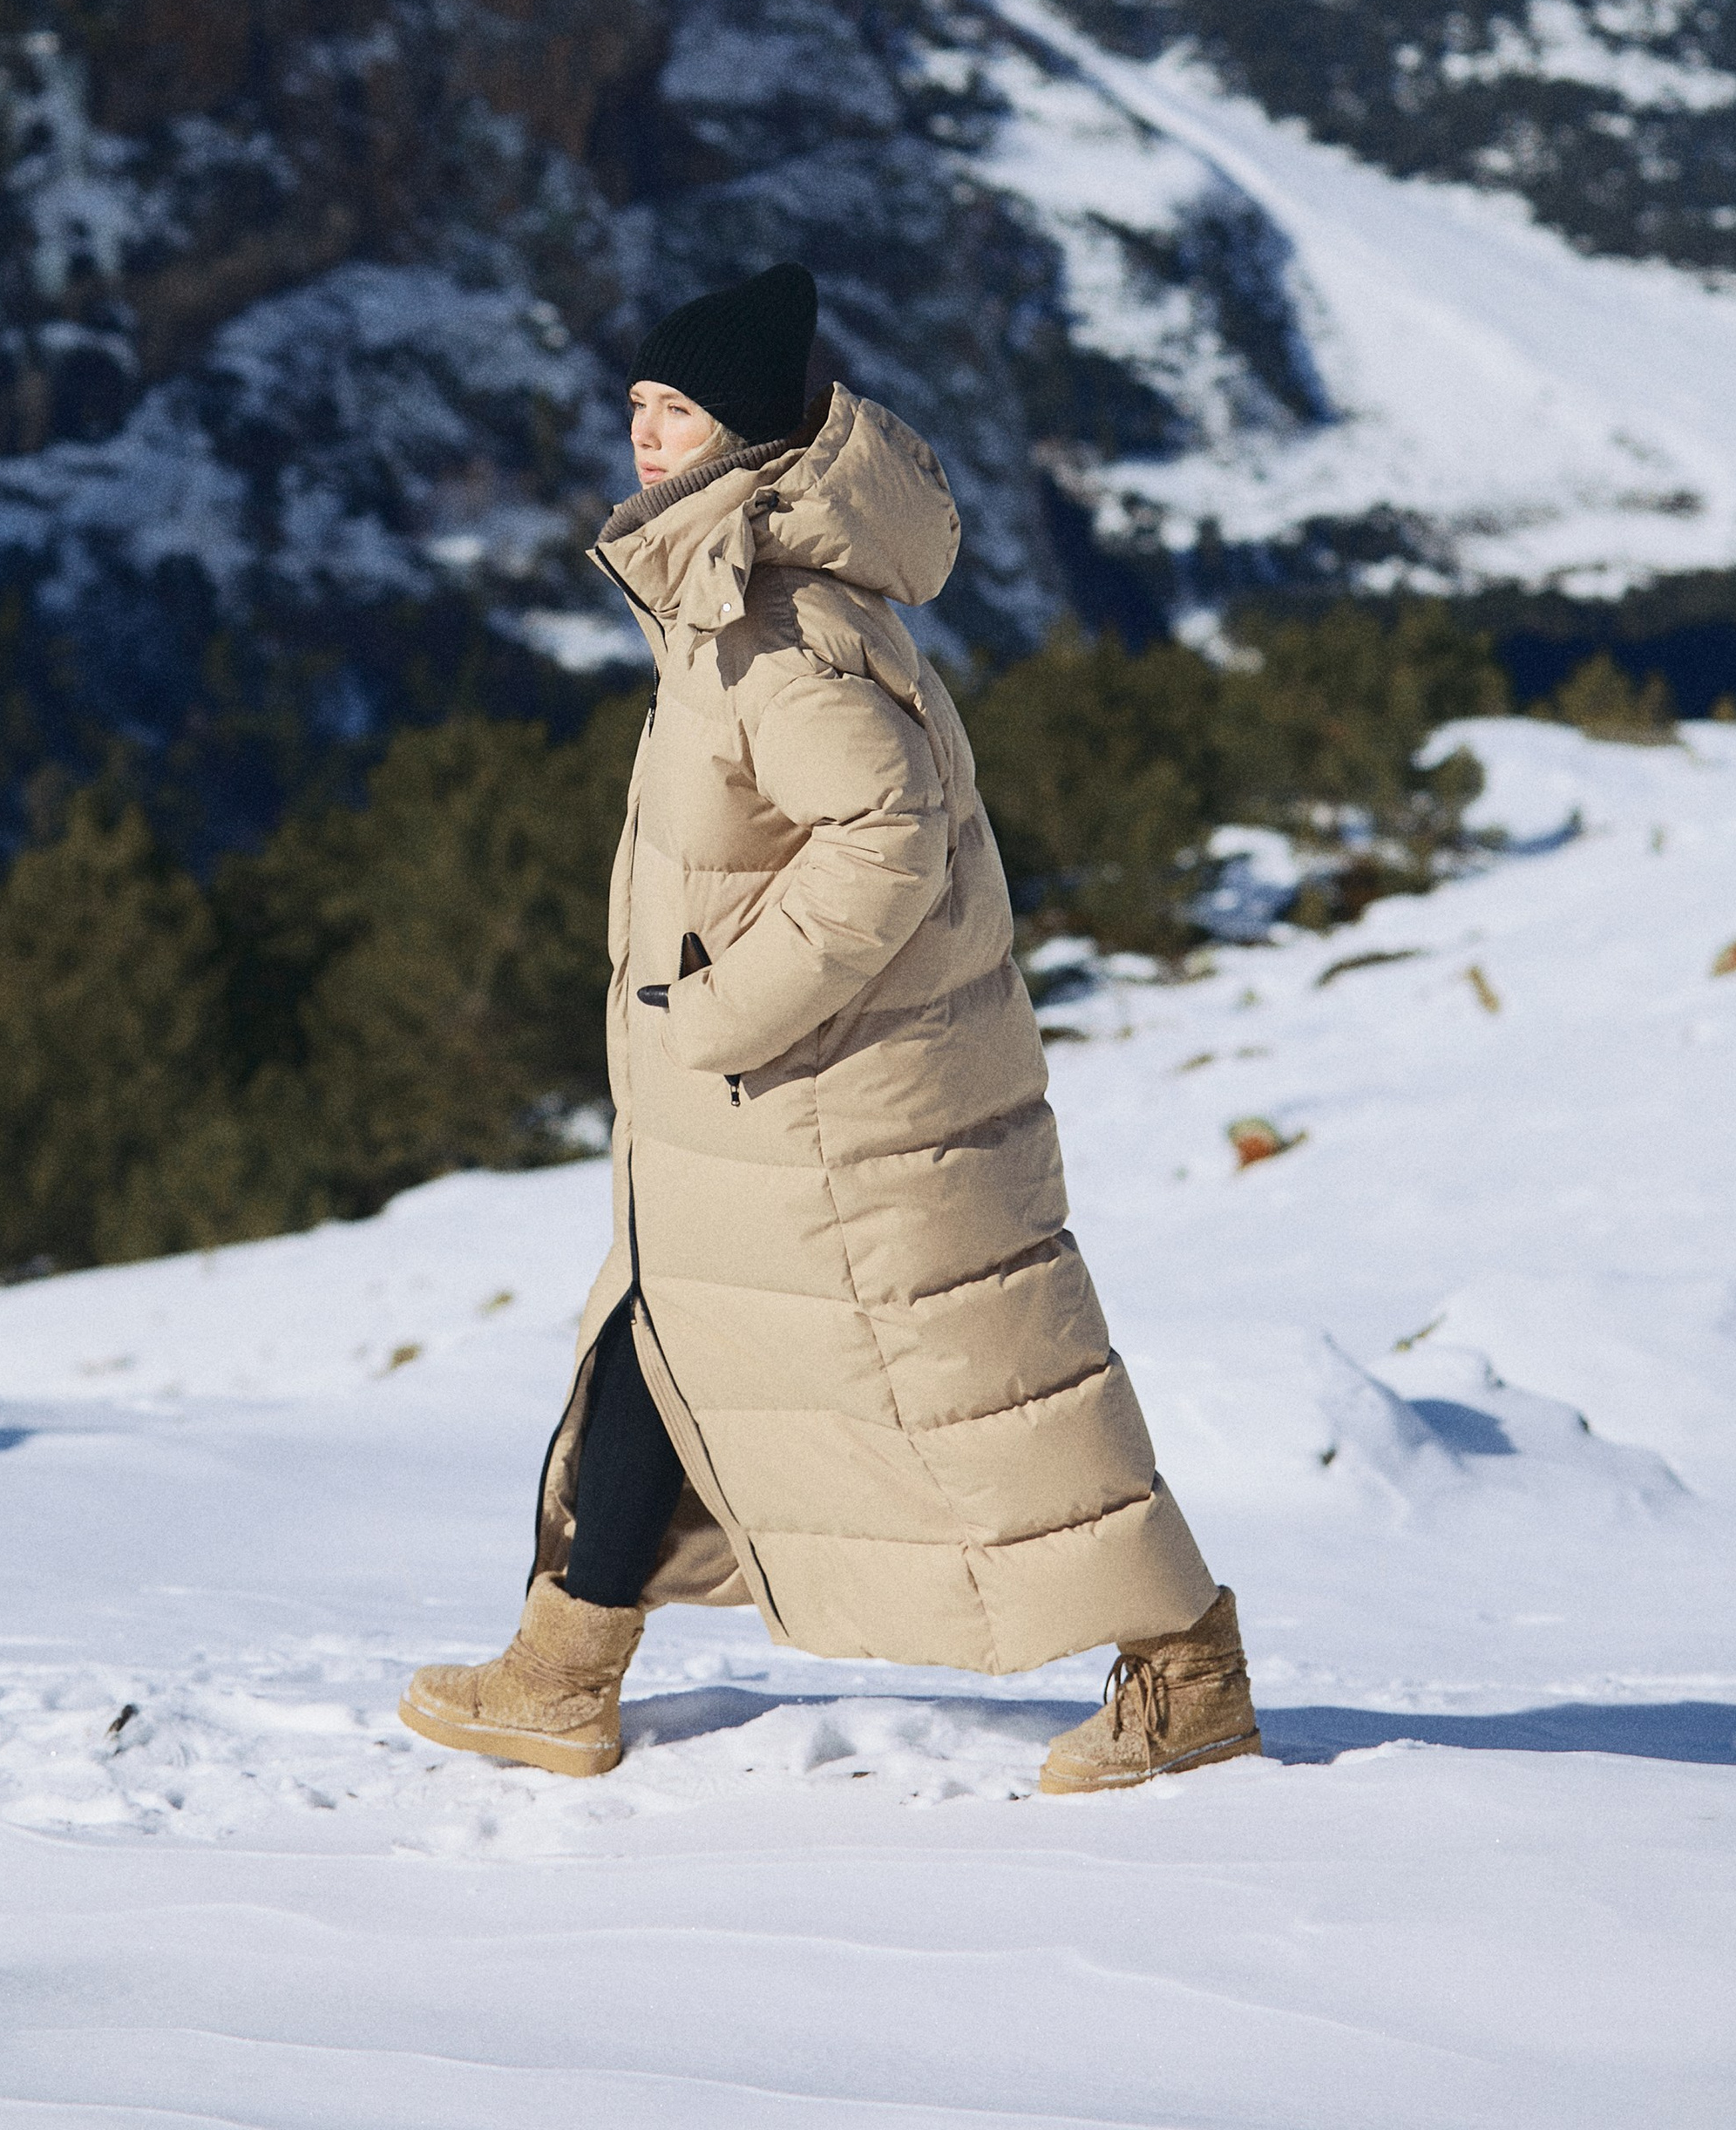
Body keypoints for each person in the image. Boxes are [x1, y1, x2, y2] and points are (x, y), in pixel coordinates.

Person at [400, 263, 1259, 1796]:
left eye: (678, 409)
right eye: (638, 404)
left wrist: (724, 1011)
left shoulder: (771, 622)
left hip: (831, 1107)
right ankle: (561, 1670)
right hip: (759, 1107)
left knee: (985, 1387)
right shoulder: (729, 589)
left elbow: (888, 832)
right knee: (658, 1345)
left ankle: (1190, 1672)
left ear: (745, 432)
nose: (644, 433)